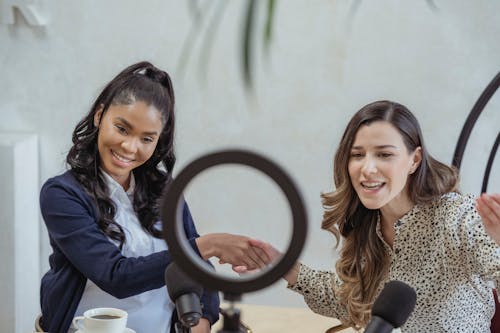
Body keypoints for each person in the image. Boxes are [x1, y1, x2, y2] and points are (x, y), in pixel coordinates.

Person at [39, 61, 270, 333]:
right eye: (122, 128)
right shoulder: (62, 195)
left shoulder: (164, 188)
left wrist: (203, 322)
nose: (129, 147)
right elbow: (116, 276)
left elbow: (201, 268)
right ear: (100, 116)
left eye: (147, 139)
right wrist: (207, 245)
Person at [244, 100, 500, 332]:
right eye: (357, 155)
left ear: (415, 160)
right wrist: (281, 264)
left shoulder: (460, 218)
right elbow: (350, 301)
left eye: (384, 154)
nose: (367, 168)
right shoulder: (369, 225)